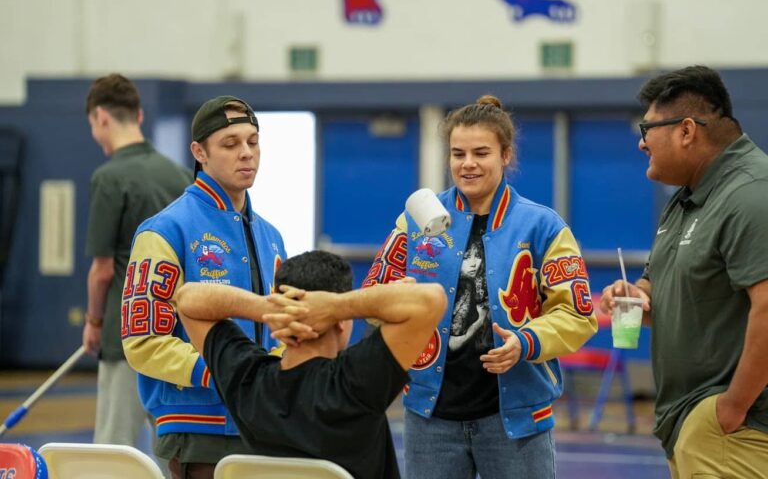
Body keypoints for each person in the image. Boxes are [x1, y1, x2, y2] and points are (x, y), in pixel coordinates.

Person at [364, 95, 598, 478]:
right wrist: (391, 301)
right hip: (430, 417)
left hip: (517, 421)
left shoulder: (543, 227)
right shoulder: (416, 219)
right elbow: (371, 298)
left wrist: (526, 342)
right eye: (458, 153)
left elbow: (577, 314)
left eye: (481, 153)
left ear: (505, 155)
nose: (468, 164)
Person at [600, 65, 768, 478]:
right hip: (694, 428)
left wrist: (732, 408)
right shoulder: (686, 199)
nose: (641, 143)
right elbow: (670, 296)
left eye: (647, 129)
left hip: (737, 431)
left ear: (686, 130)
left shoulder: (750, 195)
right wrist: (639, 300)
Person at [122, 95, 286, 479]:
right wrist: (221, 371)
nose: (246, 154)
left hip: (262, 423)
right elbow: (143, 341)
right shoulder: (164, 231)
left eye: (252, 141)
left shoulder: (271, 236)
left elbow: (279, 326)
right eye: (230, 144)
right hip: (197, 430)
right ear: (200, 152)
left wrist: (278, 373)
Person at [175, 250, 447, 479]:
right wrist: (340, 305)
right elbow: (431, 299)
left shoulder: (248, 381)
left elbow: (187, 299)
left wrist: (266, 308)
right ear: (341, 321)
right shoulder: (355, 384)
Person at [81, 74, 191, 453]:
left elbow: (103, 270)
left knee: (113, 448)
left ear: (100, 118)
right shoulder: (178, 174)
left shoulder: (108, 177)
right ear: (139, 115)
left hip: (124, 336)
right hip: (173, 337)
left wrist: (94, 322)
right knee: (171, 450)